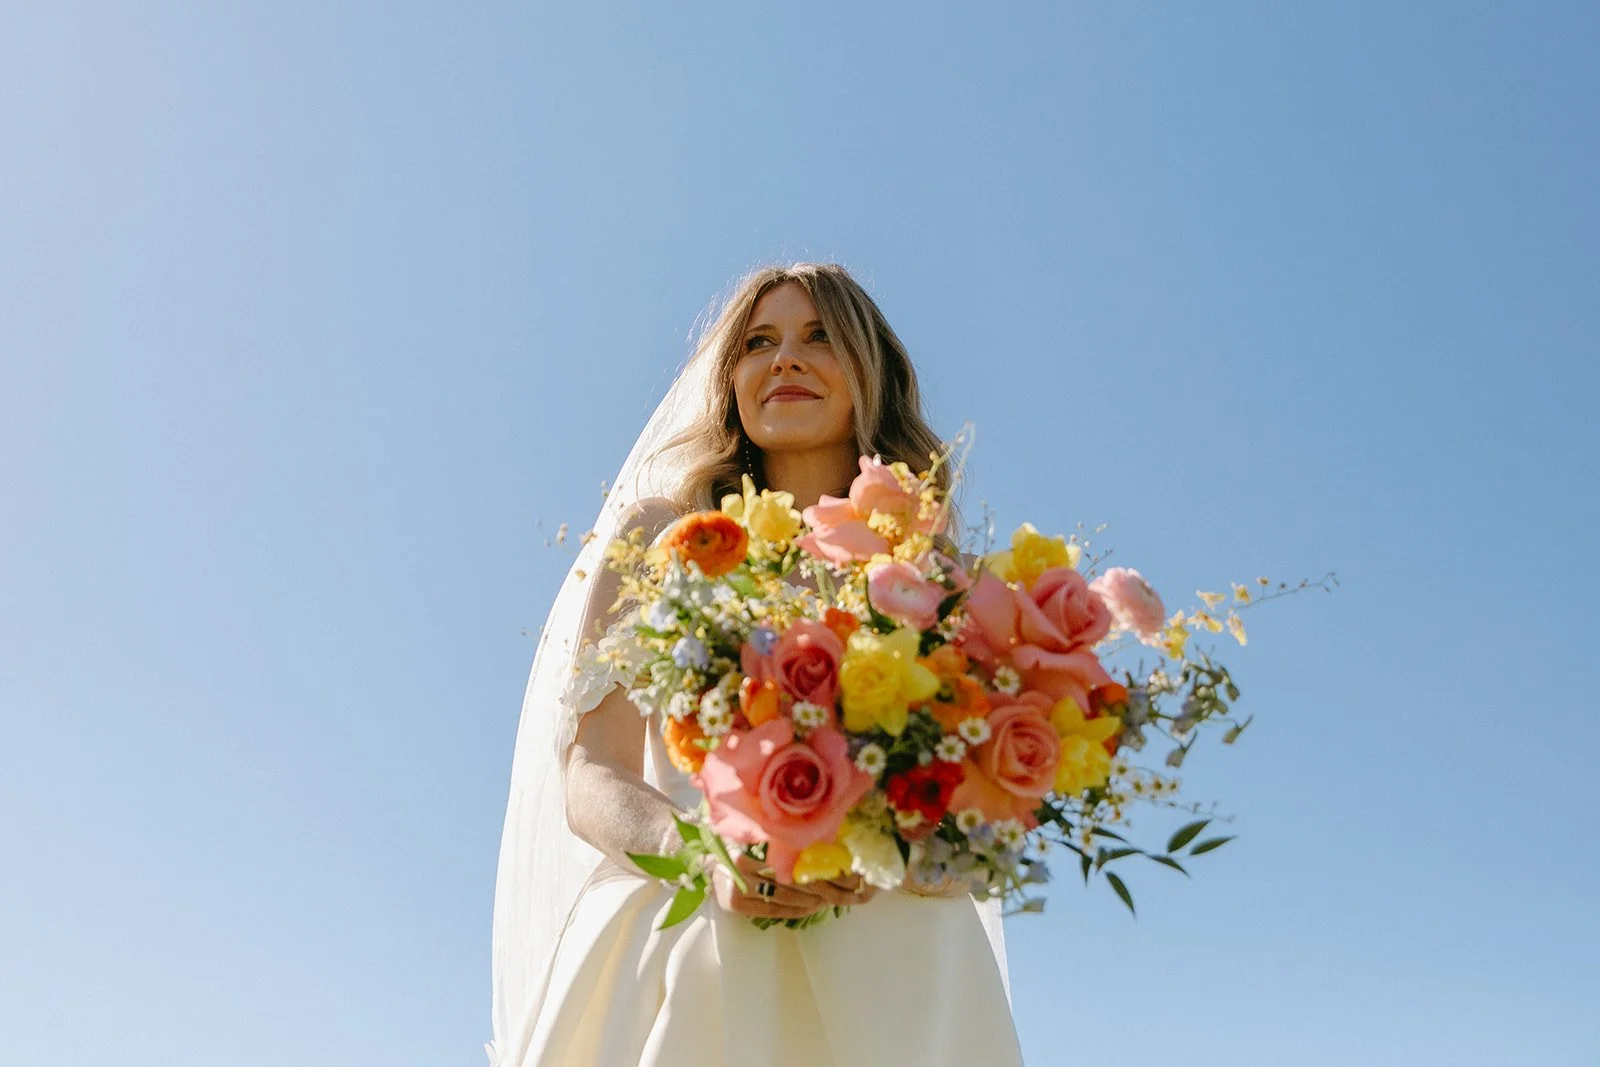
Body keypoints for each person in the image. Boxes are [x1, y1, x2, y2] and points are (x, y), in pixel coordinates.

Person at [486, 263, 1024, 1067]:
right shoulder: (663, 535)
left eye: (818, 337)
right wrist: (705, 854)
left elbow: (990, 808)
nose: (785, 360)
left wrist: (902, 853)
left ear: (868, 371)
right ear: (730, 378)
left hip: (898, 952)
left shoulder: (930, 566)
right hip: (700, 931)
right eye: (758, 342)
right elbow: (592, 771)